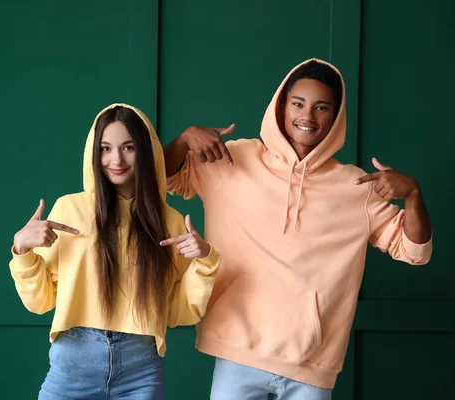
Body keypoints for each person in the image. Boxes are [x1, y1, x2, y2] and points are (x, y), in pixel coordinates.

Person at [164, 59, 433, 399]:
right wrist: (183, 140)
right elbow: (160, 179)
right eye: (298, 104)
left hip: (312, 364)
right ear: (282, 105)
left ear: (335, 117)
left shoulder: (358, 187)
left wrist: (413, 195)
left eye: (322, 108)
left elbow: (415, 252)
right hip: (236, 352)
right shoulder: (231, 160)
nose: (307, 116)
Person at [9, 103, 221, 400]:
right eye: (105, 148)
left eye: (128, 147)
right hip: (73, 364)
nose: (116, 159)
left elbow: (178, 311)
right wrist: (22, 249)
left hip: (140, 370)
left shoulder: (168, 220)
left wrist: (204, 261)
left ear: (145, 152)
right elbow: (39, 301)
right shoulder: (69, 209)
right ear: (94, 154)